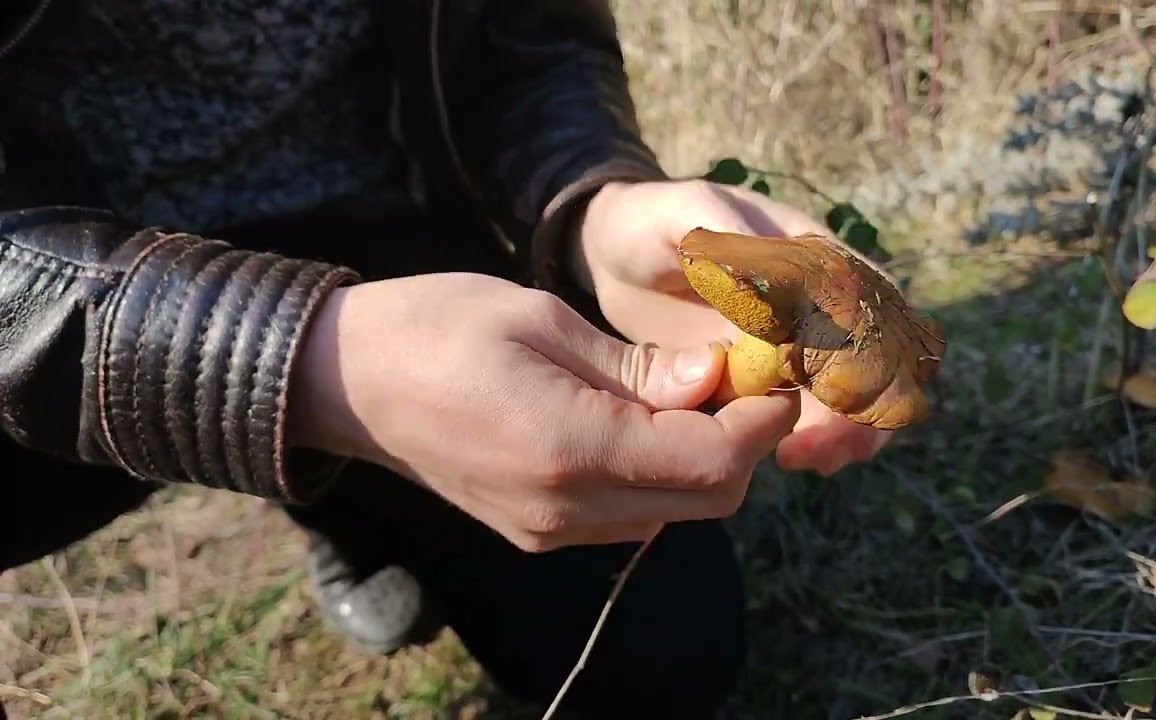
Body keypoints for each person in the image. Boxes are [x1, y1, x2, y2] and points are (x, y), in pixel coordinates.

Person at [0, 1, 892, 717]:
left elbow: (526, 36)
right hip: (50, 292)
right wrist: (308, 366)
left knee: (664, 659)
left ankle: (348, 497)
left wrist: (589, 203)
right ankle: (330, 458)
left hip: (407, 245)